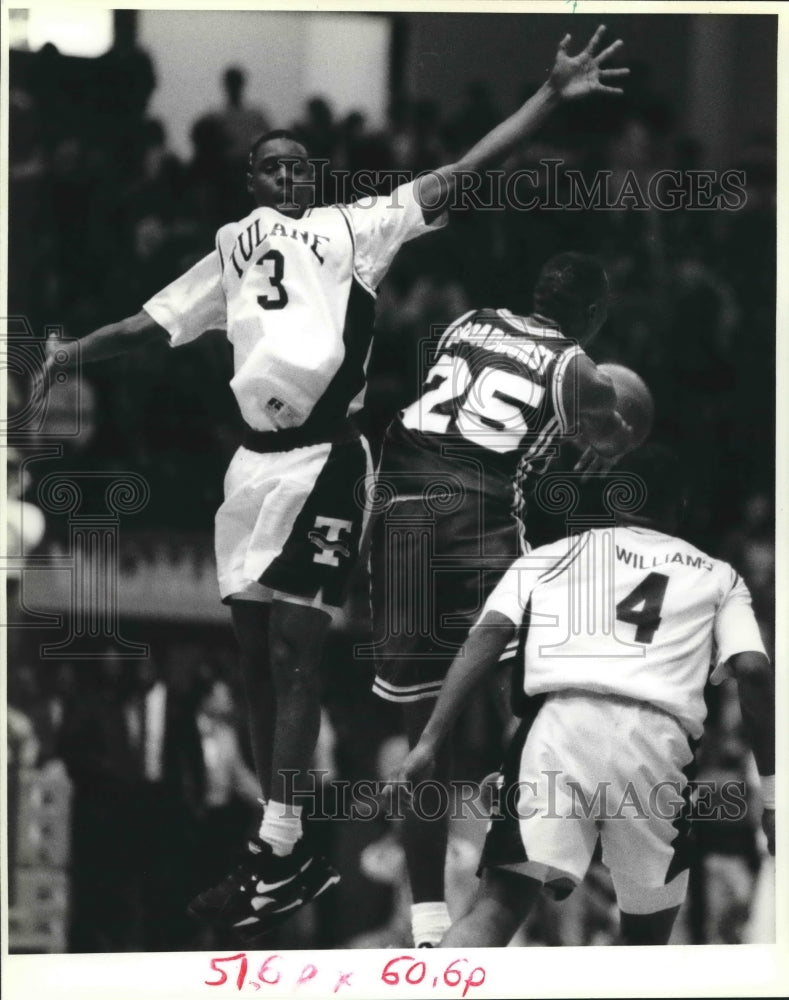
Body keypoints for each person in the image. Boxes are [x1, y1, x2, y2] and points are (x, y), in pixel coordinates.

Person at [37, 25, 629, 943]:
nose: (288, 178)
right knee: (251, 656)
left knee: (294, 651)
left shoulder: (355, 227)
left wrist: (549, 97)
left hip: (325, 458)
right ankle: (291, 845)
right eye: (273, 168)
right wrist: (73, 350)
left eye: (300, 168)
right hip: (247, 468)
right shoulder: (231, 248)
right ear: (250, 182)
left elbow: (463, 168)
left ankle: (283, 844)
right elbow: (151, 323)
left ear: (315, 179)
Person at [397, 444, 775, 946]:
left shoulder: (553, 554)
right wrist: (773, 794)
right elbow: (753, 669)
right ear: (679, 507)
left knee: (495, 913)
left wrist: (428, 742)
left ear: (616, 502)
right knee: (644, 944)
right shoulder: (718, 575)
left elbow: (484, 637)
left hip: (559, 731)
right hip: (657, 741)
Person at [369, 251, 636, 946]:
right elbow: (607, 433)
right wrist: (620, 419)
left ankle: (426, 920)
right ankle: (515, 802)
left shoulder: (469, 321)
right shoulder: (575, 365)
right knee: (552, 681)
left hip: (396, 505)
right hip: (472, 512)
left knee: (425, 723)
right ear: (593, 315)